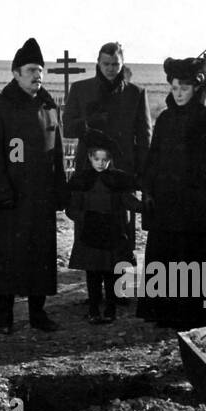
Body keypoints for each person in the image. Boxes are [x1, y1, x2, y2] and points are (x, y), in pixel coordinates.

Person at [0, 38, 68, 334]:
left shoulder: (48, 106)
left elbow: (57, 154)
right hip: (11, 199)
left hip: (40, 199)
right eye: (31, 70)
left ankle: (38, 314)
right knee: (7, 258)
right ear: (15, 73)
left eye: (40, 70)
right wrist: (1, 192)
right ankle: (5, 318)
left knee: (40, 257)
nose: (37, 75)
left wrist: (59, 191)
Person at [139, 57, 206, 329]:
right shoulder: (165, 119)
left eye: (184, 87)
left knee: (195, 257)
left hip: (196, 209)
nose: (178, 93)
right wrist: (149, 188)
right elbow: (154, 157)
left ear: (196, 89)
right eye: (174, 88)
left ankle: (197, 315)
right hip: (168, 206)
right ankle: (170, 313)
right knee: (168, 256)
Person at [65, 129, 140, 324]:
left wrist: (146, 206)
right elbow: (71, 209)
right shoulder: (82, 180)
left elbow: (129, 202)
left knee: (111, 272)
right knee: (93, 273)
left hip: (112, 232)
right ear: (89, 158)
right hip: (90, 233)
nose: (100, 163)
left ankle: (110, 308)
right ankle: (93, 308)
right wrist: (86, 218)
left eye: (104, 159)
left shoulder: (117, 179)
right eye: (96, 158)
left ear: (110, 159)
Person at [62, 41, 151, 179]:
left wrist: (142, 174)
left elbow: (144, 138)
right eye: (106, 64)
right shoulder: (80, 89)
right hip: (88, 167)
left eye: (115, 64)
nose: (110, 68)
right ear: (98, 63)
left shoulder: (136, 93)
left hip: (123, 169)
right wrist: (90, 122)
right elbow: (68, 128)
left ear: (122, 63)